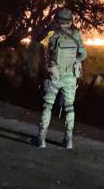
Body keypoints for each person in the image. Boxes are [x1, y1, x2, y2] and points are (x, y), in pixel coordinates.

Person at [36, 8, 87, 149]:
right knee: (70, 108)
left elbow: (39, 44)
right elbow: (83, 55)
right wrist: (74, 61)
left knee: (47, 106)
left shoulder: (52, 33)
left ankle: (41, 140)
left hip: (54, 75)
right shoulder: (76, 34)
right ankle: (68, 141)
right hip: (70, 77)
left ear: (57, 20)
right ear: (70, 21)